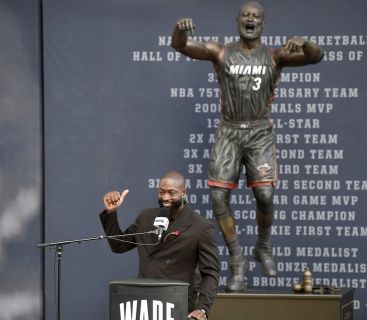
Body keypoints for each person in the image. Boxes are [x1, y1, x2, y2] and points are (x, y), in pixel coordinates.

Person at [171, 1, 323, 292]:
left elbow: (316, 57)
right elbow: (182, 46)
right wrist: (178, 30)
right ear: (237, 21)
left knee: (265, 194)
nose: (250, 19)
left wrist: (307, 42)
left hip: (259, 132)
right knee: (217, 199)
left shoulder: (276, 55)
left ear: (263, 24)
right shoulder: (221, 52)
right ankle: (237, 259)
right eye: (246, 15)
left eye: (256, 16)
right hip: (229, 130)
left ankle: (263, 245)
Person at [99, 171, 219, 320]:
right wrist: (111, 214)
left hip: (177, 306)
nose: (165, 198)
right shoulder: (146, 217)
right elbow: (119, 246)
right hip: (142, 304)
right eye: (161, 192)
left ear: (184, 193)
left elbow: (211, 274)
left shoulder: (200, 226)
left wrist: (202, 308)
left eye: (171, 193)